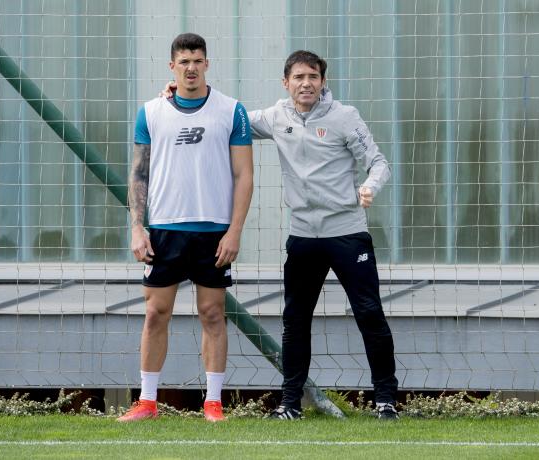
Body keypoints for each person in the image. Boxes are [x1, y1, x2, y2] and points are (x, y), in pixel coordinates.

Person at [163, 50, 398, 420]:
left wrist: (370, 186)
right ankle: (290, 404)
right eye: (299, 78)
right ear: (285, 82)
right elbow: (226, 116)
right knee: (296, 319)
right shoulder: (275, 117)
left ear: (323, 82)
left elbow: (379, 162)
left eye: (314, 78)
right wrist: (179, 95)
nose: (307, 84)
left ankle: (386, 400)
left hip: (348, 233)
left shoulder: (344, 117)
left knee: (369, 314)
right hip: (303, 237)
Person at [118, 33, 253, 423]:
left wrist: (235, 231)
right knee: (155, 313)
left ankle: (213, 403)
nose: (190, 67)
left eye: (197, 60)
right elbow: (138, 174)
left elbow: (244, 175)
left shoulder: (232, 111)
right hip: (163, 231)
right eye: (183, 61)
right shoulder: (150, 111)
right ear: (172, 66)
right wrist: (137, 228)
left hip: (213, 232)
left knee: (212, 314)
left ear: (207, 64)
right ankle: (147, 402)